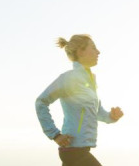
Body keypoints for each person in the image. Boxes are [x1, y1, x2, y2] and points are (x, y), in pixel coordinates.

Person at [35, 34, 124, 166]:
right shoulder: (69, 78)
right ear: (80, 51)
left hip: (81, 149)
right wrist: (55, 134)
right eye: (93, 48)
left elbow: (98, 113)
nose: (98, 51)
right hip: (72, 150)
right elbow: (41, 102)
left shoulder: (91, 80)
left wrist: (112, 116)